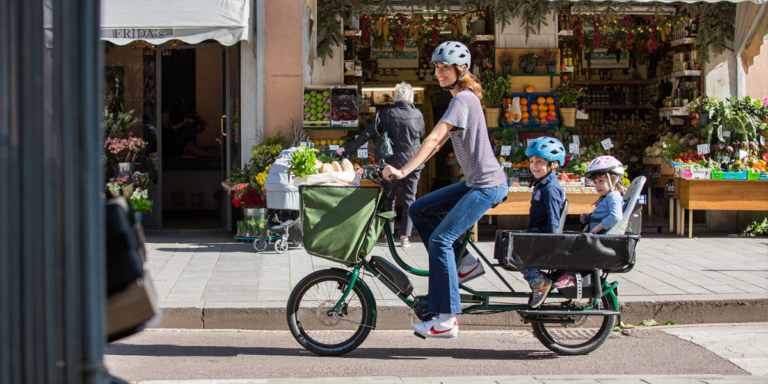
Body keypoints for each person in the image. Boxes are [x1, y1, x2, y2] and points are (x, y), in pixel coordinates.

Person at [382, 41, 508, 339]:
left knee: (440, 240)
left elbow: (435, 139)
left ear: (460, 69)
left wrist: (402, 171)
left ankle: (447, 318)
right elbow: (437, 143)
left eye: (445, 68)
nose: (439, 73)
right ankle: (464, 264)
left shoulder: (462, 100)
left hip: (488, 184)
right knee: (418, 209)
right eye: (436, 67)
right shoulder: (463, 98)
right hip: (477, 182)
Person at [338, 82, 425, 248]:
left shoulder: (386, 114)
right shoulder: (418, 114)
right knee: (410, 199)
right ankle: (405, 237)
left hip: (391, 163)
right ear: (411, 98)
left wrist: (347, 149)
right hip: (414, 162)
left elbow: (366, 134)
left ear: (395, 97)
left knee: (390, 197)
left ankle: (388, 232)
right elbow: (421, 134)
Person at [556, 156, 624, 289]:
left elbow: (616, 217)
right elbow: (603, 213)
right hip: (598, 237)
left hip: (601, 239)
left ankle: (570, 276)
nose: (597, 185)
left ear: (613, 179)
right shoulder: (607, 197)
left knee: (574, 249)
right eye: (595, 182)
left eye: (601, 181)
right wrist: (588, 217)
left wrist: (598, 227)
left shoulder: (614, 196)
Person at [518, 136, 567, 307]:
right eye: (531, 161)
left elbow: (553, 220)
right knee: (506, 240)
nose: (534, 166)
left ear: (553, 165)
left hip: (541, 235)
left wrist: (550, 244)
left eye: (539, 161)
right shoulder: (543, 184)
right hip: (536, 232)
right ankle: (537, 278)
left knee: (512, 249)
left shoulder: (551, 189)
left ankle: (538, 280)